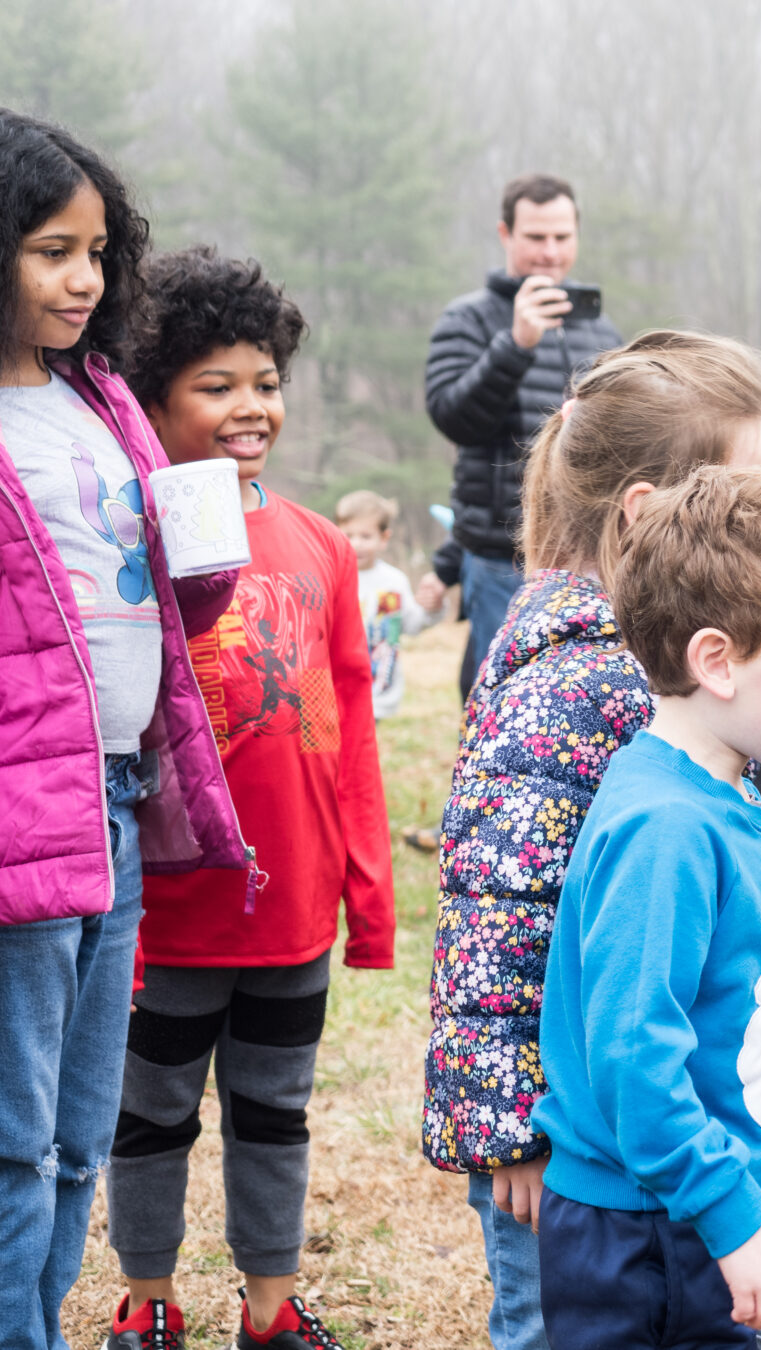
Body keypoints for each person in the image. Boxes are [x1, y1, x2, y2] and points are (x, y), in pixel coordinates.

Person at [423, 331, 761, 1350]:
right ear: (652, 518)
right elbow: (499, 913)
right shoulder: (578, 687)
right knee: (546, 1320)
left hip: (705, 1088)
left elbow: (724, 872)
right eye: (750, 493)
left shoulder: (694, 694)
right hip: (587, 1138)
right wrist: (510, 1125)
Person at [105, 246, 394, 1350]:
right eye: (214, 385)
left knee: (275, 1112)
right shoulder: (125, 539)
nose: (249, 406)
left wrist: (365, 900)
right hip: (169, 912)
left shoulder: (321, 543)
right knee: (151, 1118)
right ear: (153, 393)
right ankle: (147, 1300)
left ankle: (268, 1308)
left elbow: (352, 734)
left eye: (264, 381)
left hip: (290, 908)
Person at [531, 465, 761, 1347]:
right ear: (718, 661)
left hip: (696, 1198)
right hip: (644, 1232)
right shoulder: (667, 830)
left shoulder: (727, 796)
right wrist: (729, 1216)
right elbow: (633, 1056)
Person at [0, 110, 245, 1350]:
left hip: (117, 794)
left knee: (77, 1137)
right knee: (8, 1140)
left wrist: (203, 546)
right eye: (52, 249)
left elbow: (156, 597)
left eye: (98, 250)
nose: (84, 277)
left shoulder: (100, 396)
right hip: (16, 811)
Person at [425, 172, 623, 701]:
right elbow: (452, 417)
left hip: (587, 554)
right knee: (507, 700)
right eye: (536, 237)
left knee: (582, 700)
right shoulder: (467, 319)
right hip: (499, 555)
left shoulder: (601, 332)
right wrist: (515, 343)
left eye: (562, 237)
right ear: (505, 234)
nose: (550, 253)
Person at [335, 489, 443, 719]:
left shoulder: (393, 582)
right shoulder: (332, 577)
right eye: (349, 535)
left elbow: (412, 624)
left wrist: (433, 608)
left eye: (365, 536)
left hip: (378, 690)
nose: (356, 544)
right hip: (337, 687)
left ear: (384, 538)